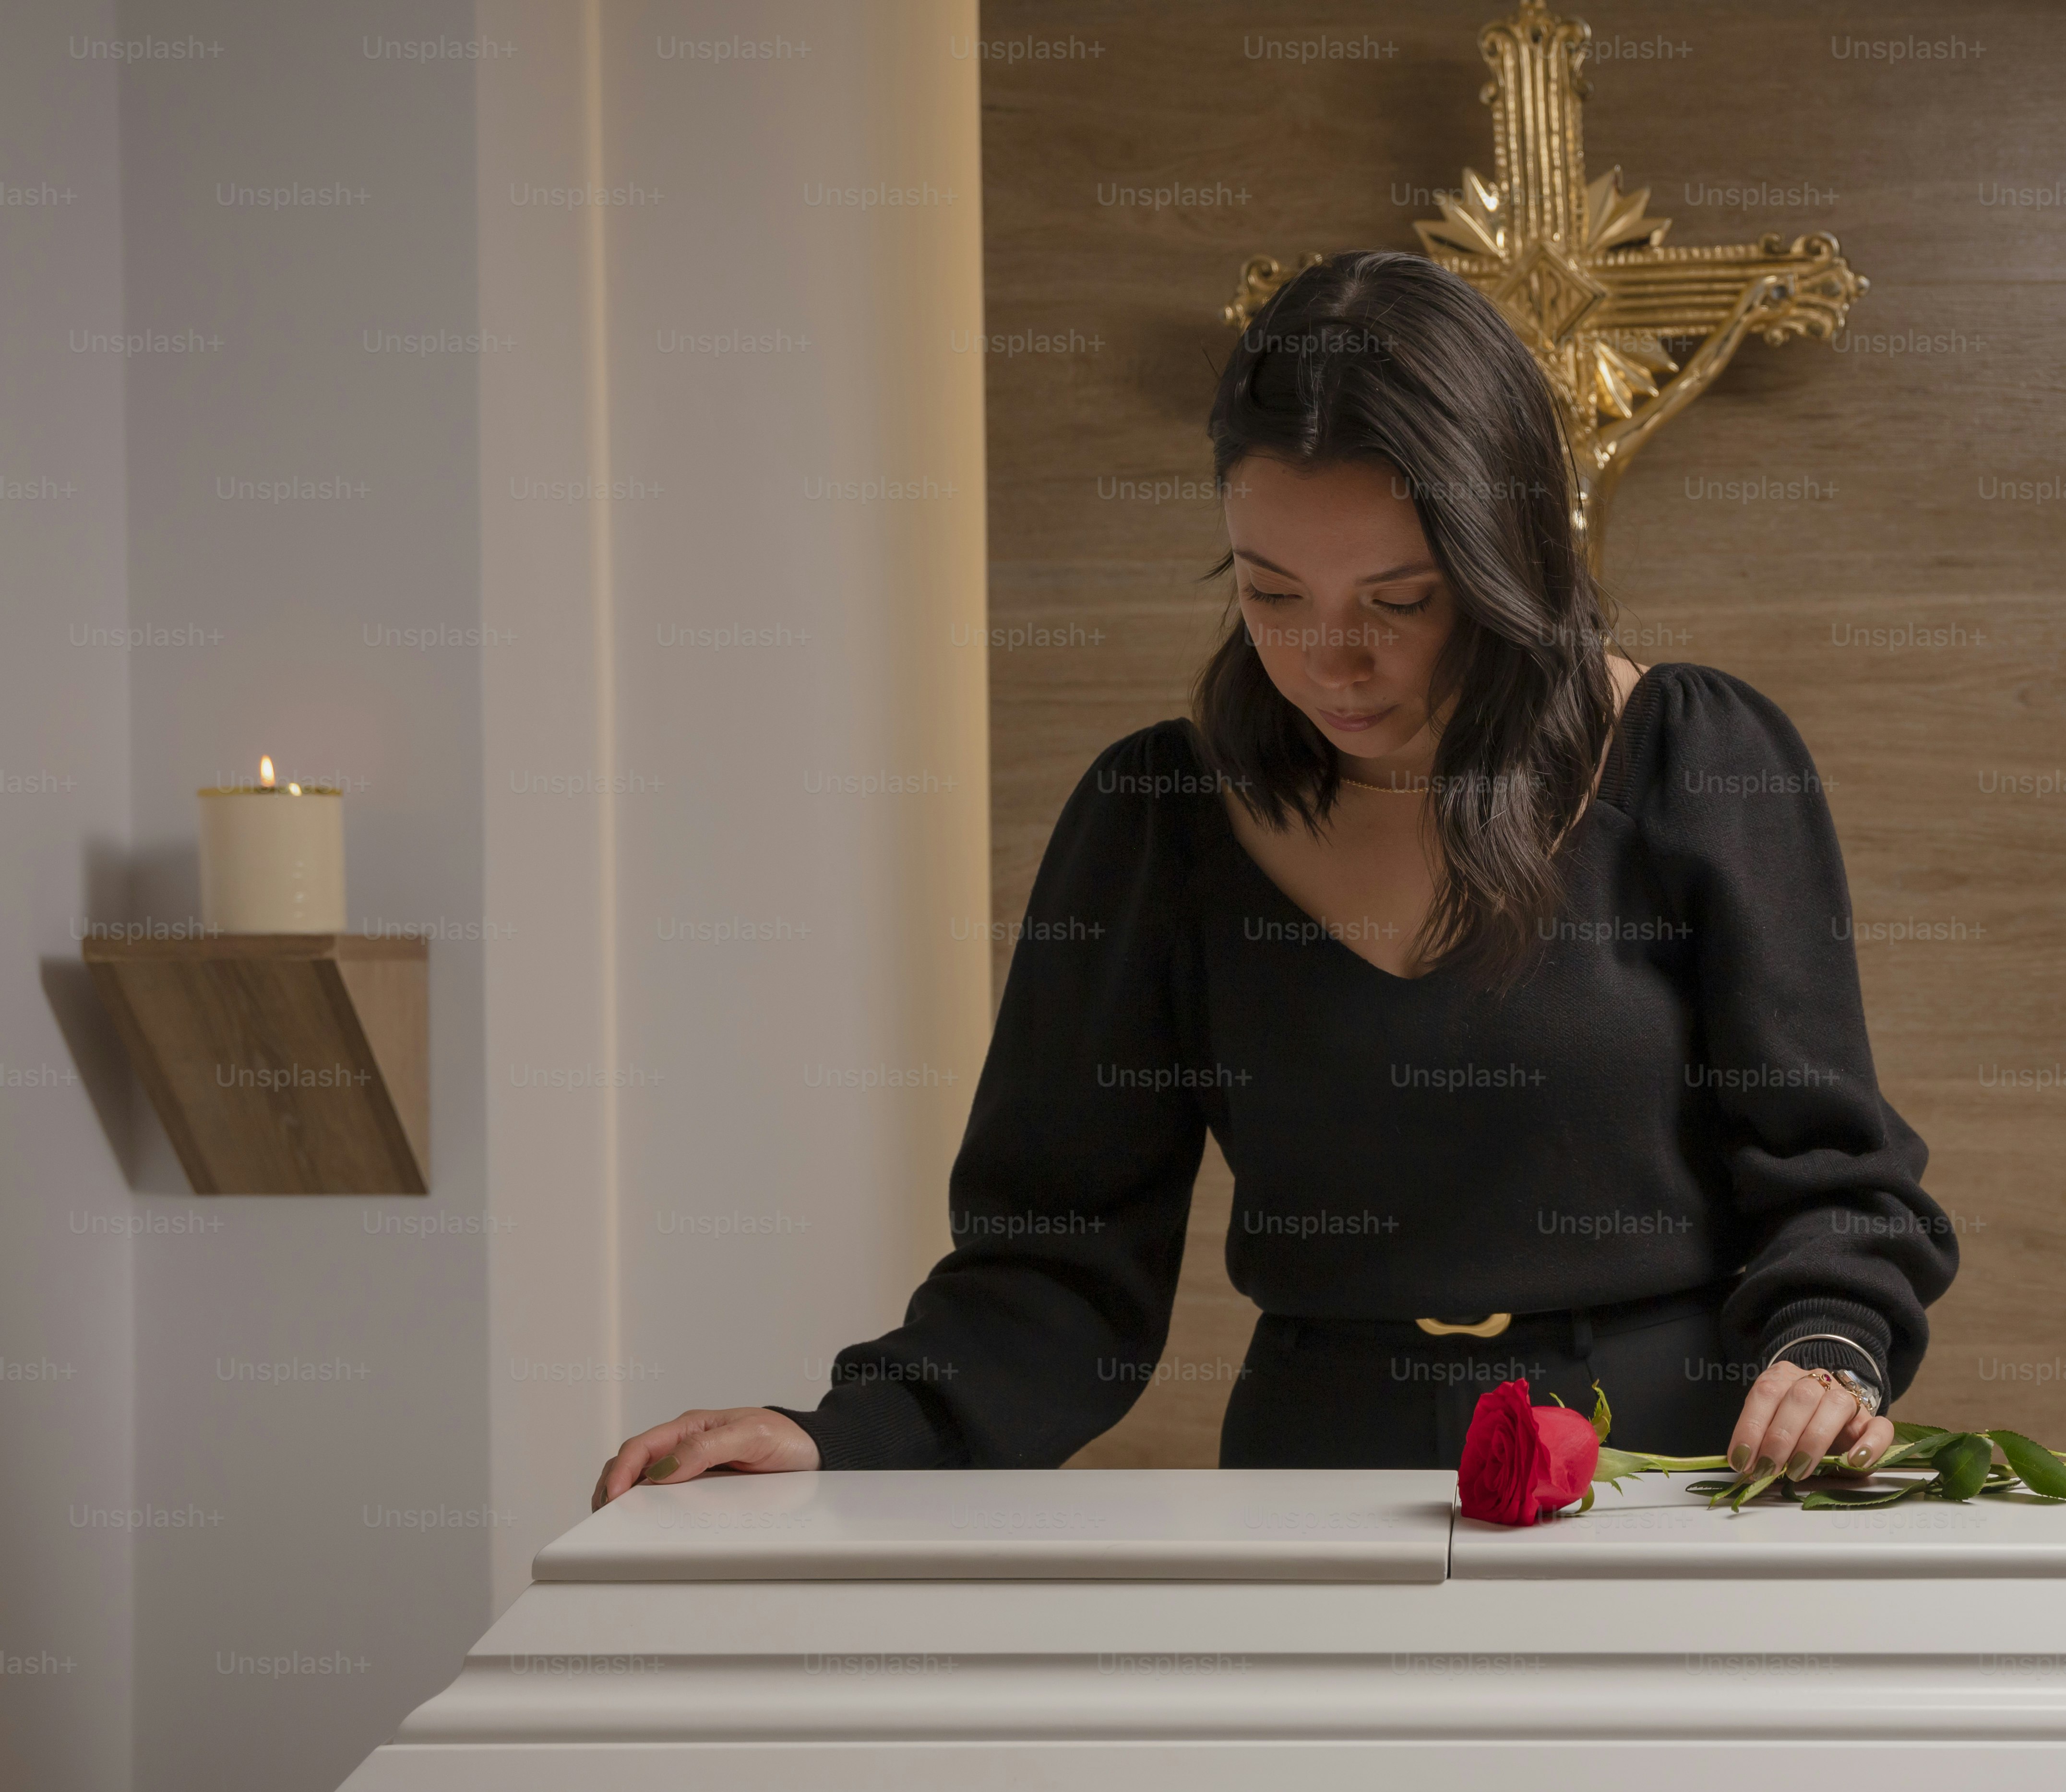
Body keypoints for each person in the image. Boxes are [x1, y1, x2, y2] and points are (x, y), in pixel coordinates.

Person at [593, 250, 1957, 1510]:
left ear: (1510, 560)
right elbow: (1057, 1258)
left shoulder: (1696, 759)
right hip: (1316, 1482)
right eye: (1270, 592)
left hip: (1668, 1469)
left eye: (1399, 598)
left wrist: (1829, 1347)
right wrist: (849, 1430)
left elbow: (1831, 1176)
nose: (1327, 658)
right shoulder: (1157, 821)